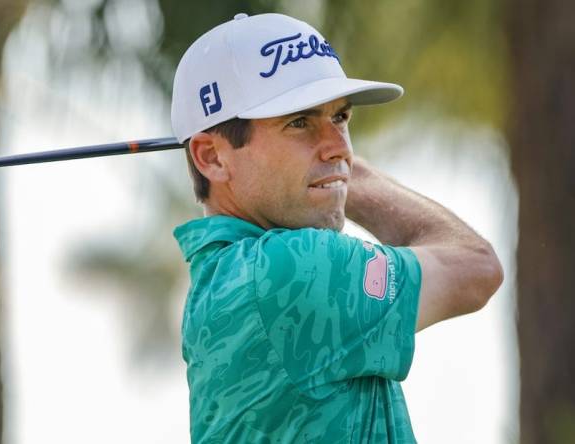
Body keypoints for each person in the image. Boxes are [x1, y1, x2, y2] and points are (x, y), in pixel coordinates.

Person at [170, 13, 503, 443]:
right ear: (212, 157)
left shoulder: (228, 277)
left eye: (341, 118)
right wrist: (348, 174)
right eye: (299, 122)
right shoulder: (288, 270)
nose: (341, 145)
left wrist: (330, 170)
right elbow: (476, 268)